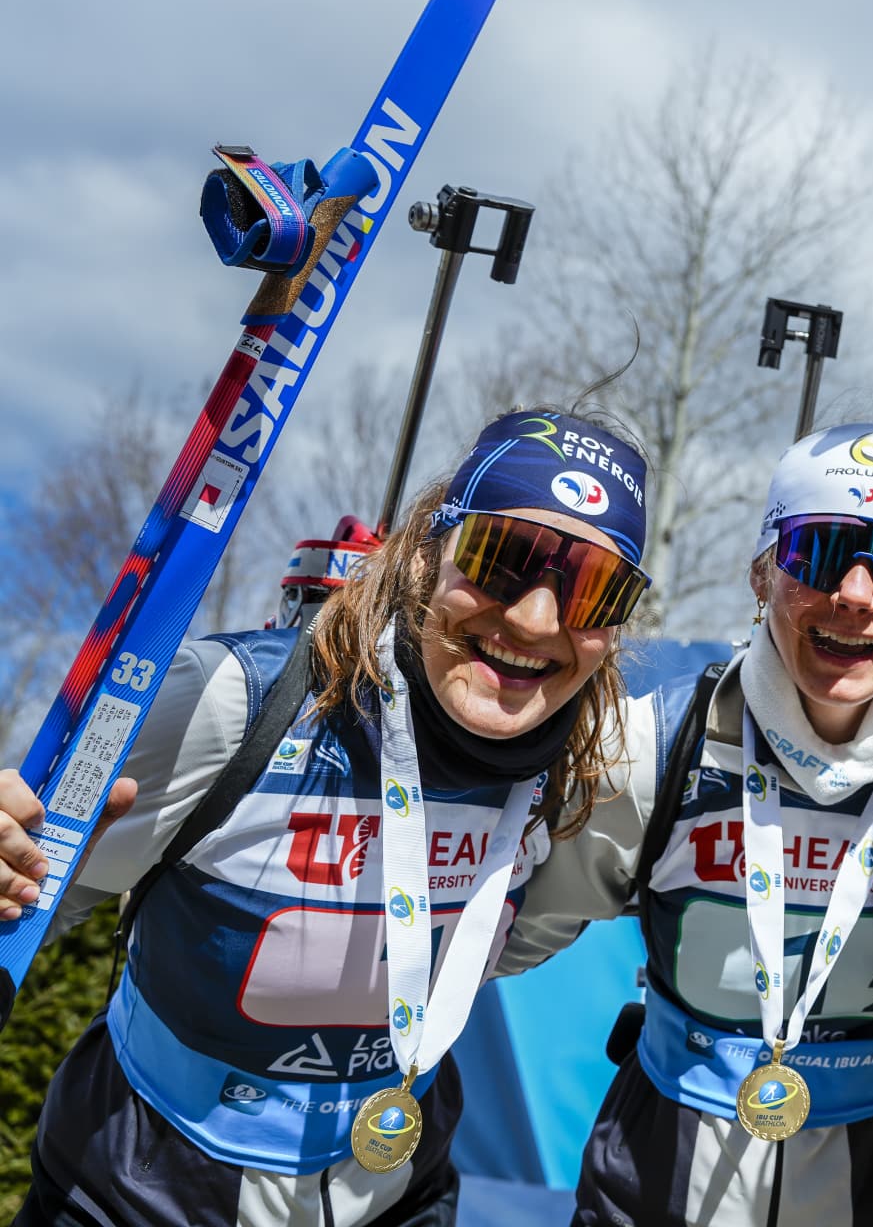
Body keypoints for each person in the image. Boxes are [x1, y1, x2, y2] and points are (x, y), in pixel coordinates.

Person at [0, 408, 654, 1226]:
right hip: (136, 1190)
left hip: (397, 1193)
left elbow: (515, 944)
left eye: (596, 590)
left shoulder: (588, 769)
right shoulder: (233, 703)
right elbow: (29, 913)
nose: (534, 620)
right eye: (499, 558)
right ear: (423, 553)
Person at [501, 423, 873, 1227]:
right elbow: (490, 944)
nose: (856, 594)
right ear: (761, 572)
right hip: (661, 1170)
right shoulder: (651, 747)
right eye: (819, 551)